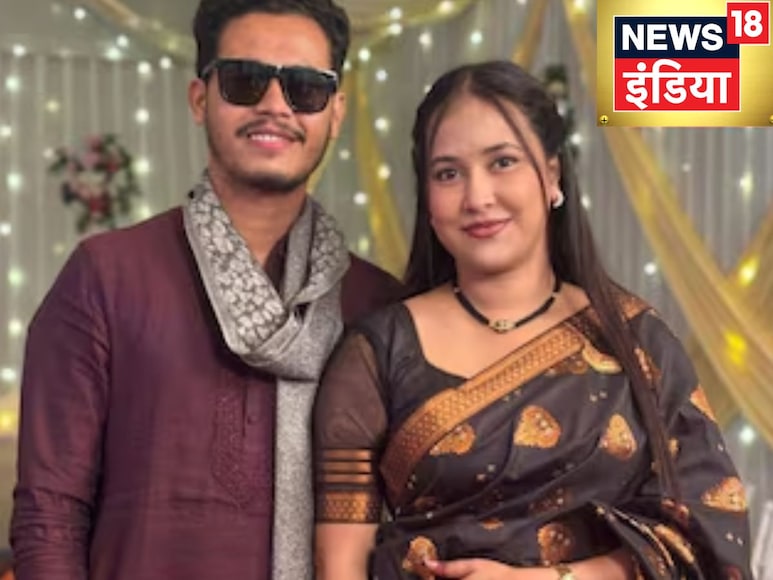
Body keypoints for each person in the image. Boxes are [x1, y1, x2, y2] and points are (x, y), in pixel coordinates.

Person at [313, 60, 753, 579]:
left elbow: (708, 528)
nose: (478, 197)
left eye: (502, 162)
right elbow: (340, 568)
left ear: (551, 176)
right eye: (448, 173)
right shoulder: (377, 353)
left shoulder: (633, 340)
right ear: (427, 198)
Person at [10, 1, 400, 579]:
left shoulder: (378, 305)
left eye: (306, 89)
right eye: (245, 80)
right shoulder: (106, 277)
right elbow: (50, 517)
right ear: (199, 98)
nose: (275, 105)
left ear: (335, 113)